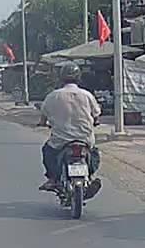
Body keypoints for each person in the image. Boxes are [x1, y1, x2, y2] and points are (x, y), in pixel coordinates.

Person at [38, 61, 103, 197]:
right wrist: (95, 121)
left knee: (47, 150)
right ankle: (90, 176)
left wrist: (43, 123)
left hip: (61, 140)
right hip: (84, 139)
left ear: (61, 77)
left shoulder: (53, 96)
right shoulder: (87, 95)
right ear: (78, 77)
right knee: (94, 153)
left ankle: (53, 179)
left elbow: (43, 116)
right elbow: (96, 115)